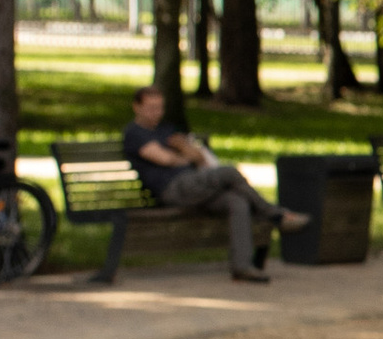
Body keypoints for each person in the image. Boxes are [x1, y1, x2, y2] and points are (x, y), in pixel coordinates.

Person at [122, 90, 289, 281]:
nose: (156, 113)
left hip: (194, 186)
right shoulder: (134, 133)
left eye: (160, 108)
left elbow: (199, 156)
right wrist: (184, 154)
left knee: (236, 201)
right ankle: (274, 214)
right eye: (151, 108)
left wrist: (183, 151)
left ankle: (242, 267)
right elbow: (165, 159)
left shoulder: (166, 130)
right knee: (229, 172)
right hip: (172, 189)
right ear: (137, 107)